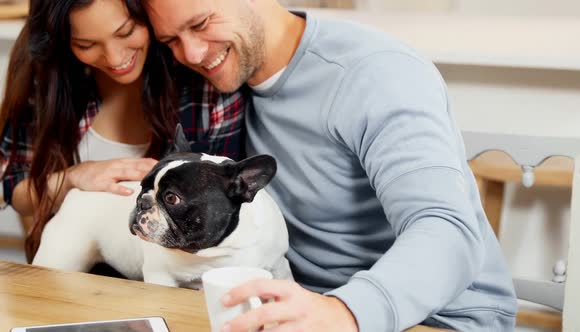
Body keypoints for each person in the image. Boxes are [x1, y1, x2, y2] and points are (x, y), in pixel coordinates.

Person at [140, 0, 518, 331]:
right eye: (171, 40)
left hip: (435, 318)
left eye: (201, 23)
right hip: (303, 307)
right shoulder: (219, 90)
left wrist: (347, 312)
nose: (190, 53)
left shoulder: (376, 74)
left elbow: (447, 229)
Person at [0, 0, 248, 263]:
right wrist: (72, 179)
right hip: (67, 277)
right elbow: (14, 188)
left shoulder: (204, 80)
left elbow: (226, 208)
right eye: (86, 44)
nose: (115, 58)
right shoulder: (49, 75)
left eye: (126, 32)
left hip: (178, 279)